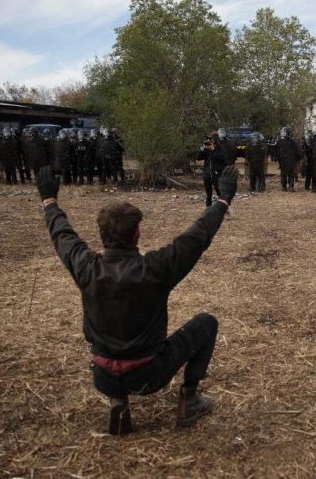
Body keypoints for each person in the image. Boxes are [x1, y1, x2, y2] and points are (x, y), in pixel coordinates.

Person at [37, 164, 238, 435]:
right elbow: (196, 236)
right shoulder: (155, 269)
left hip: (103, 376)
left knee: (110, 350)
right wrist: (223, 199)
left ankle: (118, 400)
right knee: (206, 323)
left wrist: (49, 199)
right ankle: (189, 400)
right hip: (149, 376)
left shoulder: (86, 267)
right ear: (137, 233)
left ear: (102, 235)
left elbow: (62, 234)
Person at [196, 132, 227, 206]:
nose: (210, 142)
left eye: (212, 140)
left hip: (217, 174)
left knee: (220, 193)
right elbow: (198, 157)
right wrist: (203, 149)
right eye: (210, 140)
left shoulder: (220, 148)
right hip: (207, 174)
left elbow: (221, 157)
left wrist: (213, 149)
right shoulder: (207, 150)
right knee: (208, 195)